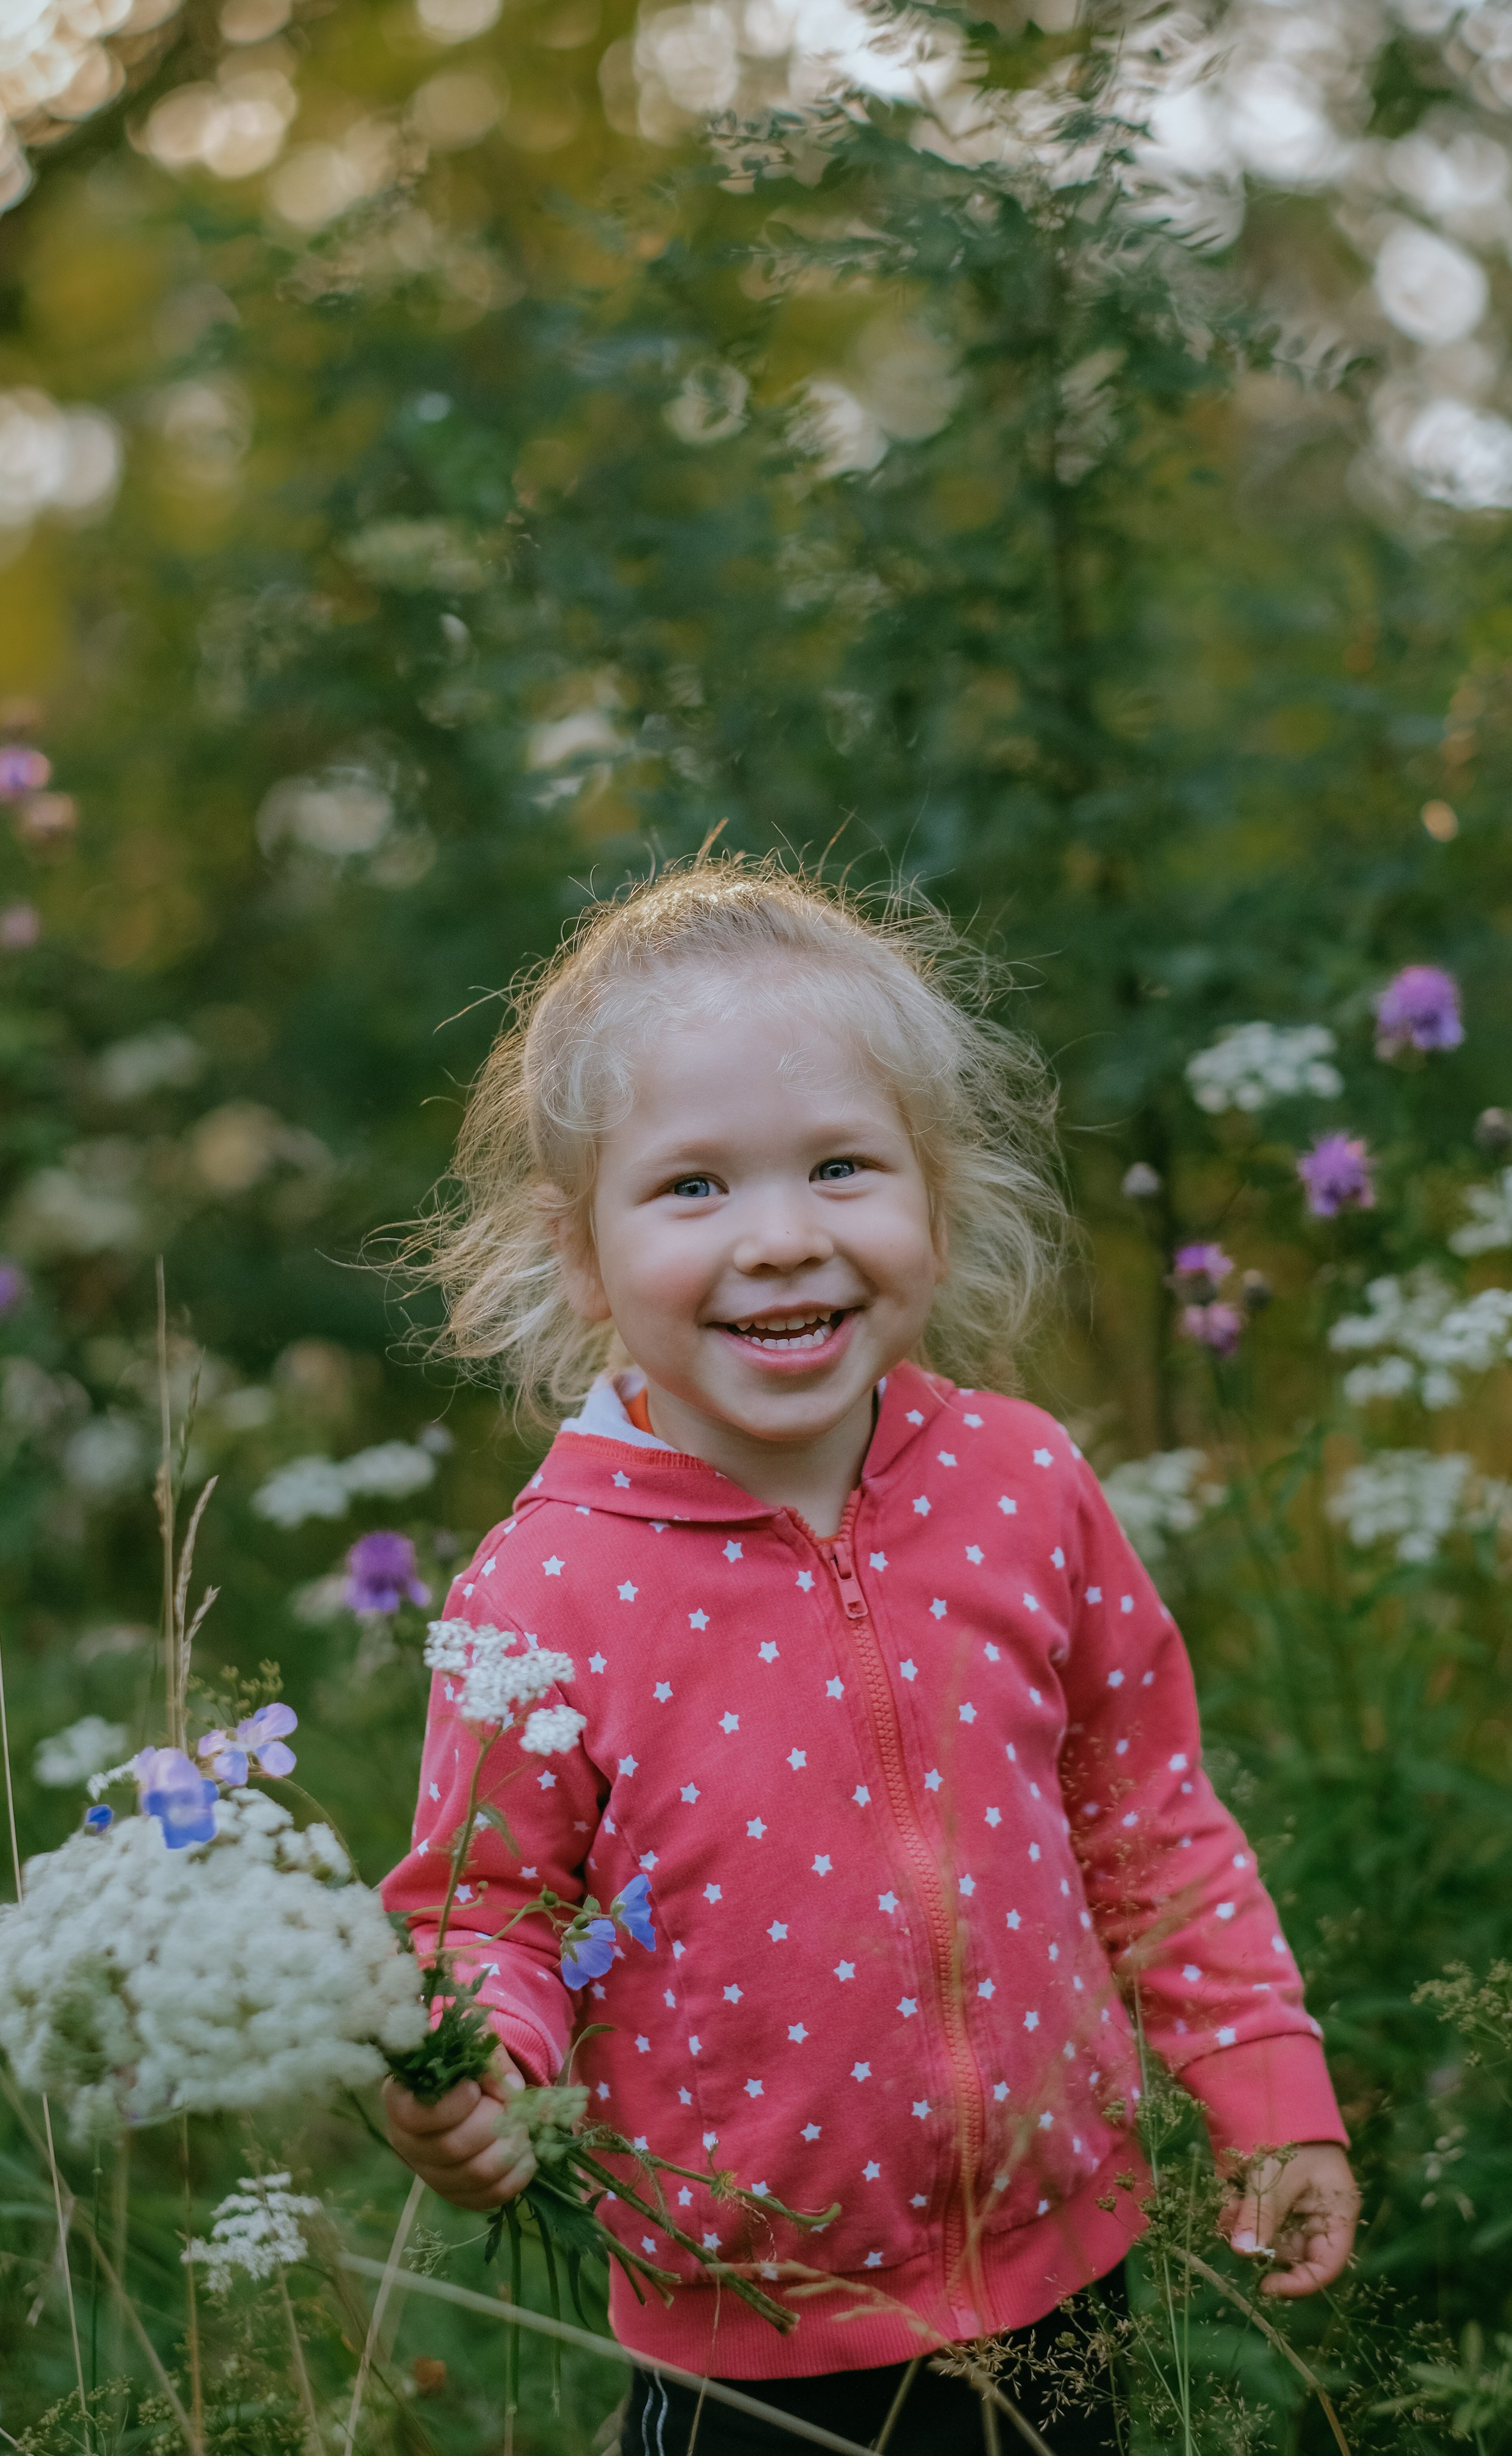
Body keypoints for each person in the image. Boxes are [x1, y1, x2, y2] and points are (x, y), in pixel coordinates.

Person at [381, 862, 1358, 2453]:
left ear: (934, 1200)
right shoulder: (546, 1589)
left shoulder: (1019, 1483)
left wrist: (1259, 2080)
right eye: (692, 1188)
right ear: (581, 1255)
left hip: (1062, 2265)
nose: (779, 1239)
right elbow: (487, 1902)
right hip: (748, 2329)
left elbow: (1146, 1815)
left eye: (840, 1167)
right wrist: (471, 2062)